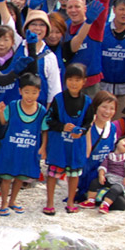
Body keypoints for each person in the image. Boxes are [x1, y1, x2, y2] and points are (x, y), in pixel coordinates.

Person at [43, 63, 93, 215]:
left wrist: (81, 131)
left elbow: (88, 122)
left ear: (84, 81)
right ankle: (50, 203)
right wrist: (62, 127)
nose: (73, 83)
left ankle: (70, 202)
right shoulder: (58, 99)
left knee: (74, 174)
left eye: (78, 79)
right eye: (70, 79)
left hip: (76, 145)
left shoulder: (87, 101)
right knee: (53, 174)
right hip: (58, 145)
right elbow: (49, 120)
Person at [0, 75, 46, 216]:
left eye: (34, 92)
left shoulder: (41, 111)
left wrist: (43, 147)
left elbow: (45, 129)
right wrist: (0, 112)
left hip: (28, 150)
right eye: (27, 92)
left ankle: (13, 201)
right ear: (20, 91)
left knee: (20, 177)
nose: (30, 96)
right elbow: (4, 122)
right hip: (11, 149)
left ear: (39, 93)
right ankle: (4, 202)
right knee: (6, 177)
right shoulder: (13, 106)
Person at [77, 91, 120, 204]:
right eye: (104, 107)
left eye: (111, 108)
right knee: (119, 203)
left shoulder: (112, 128)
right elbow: (86, 153)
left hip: (105, 176)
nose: (107, 112)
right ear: (96, 107)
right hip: (88, 178)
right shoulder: (88, 126)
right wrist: (89, 128)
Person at [79, 135, 125, 214]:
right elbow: (103, 166)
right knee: (95, 182)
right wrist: (101, 175)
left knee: (116, 190)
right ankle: (90, 200)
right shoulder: (109, 155)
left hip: (120, 180)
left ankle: (105, 204)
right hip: (108, 177)